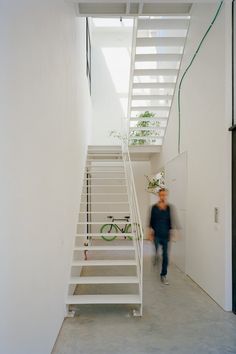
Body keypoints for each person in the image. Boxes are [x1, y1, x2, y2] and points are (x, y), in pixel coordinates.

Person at [149, 188, 172, 285]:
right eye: (161, 195)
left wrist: (173, 233)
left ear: (166, 196)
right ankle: (156, 256)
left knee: (165, 256)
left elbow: (170, 221)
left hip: (166, 235)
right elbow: (150, 221)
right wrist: (149, 233)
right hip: (156, 234)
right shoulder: (154, 207)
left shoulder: (169, 207)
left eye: (164, 195)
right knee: (157, 250)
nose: (163, 196)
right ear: (158, 195)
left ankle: (163, 275)